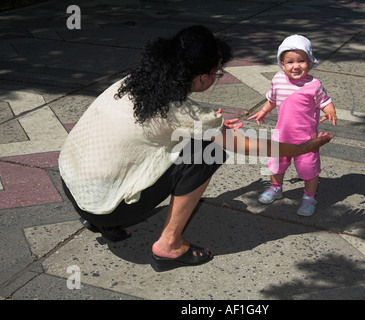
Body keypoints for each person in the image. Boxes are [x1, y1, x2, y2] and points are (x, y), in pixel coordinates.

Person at [59, 26, 334, 272]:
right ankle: (170, 244)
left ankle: (105, 223)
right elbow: (246, 146)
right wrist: (301, 149)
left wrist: (212, 125)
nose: (217, 77)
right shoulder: (184, 113)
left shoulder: (132, 82)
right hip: (104, 207)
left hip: (75, 190)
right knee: (209, 152)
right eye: (216, 72)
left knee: (193, 141)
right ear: (201, 77)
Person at [248, 35, 337, 216]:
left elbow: (325, 101)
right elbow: (272, 99)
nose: (296, 66)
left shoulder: (314, 85)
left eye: (302, 61)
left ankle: (309, 197)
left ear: (310, 62)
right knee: (276, 166)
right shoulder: (278, 80)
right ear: (282, 64)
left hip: (306, 139)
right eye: (290, 62)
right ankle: (275, 188)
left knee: (309, 170)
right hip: (282, 136)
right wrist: (264, 111)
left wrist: (330, 111)